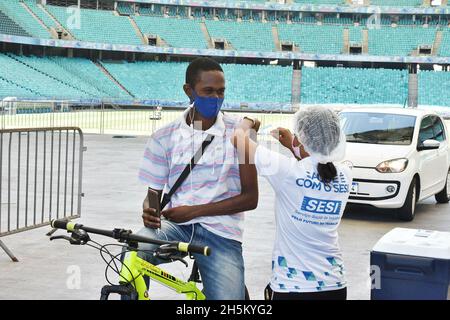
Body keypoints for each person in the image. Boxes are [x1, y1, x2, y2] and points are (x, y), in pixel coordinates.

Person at [136, 57, 260, 300]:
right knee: (134, 251)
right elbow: (153, 196)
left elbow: (250, 198)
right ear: (188, 91)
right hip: (176, 228)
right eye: (208, 91)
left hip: (222, 232)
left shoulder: (241, 134)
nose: (216, 98)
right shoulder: (163, 137)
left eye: (221, 92)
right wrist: (150, 212)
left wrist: (192, 211)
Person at [231, 106, 352, 300]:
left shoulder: (286, 171)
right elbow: (315, 167)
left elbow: (238, 139)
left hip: (294, 287)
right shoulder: (345, 174)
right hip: (335, 284)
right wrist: (294, 146)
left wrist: (248, 121)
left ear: (300, 139)